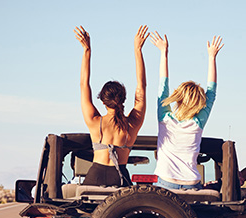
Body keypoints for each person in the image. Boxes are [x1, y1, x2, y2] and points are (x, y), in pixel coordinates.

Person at [74, 25, 149, 187]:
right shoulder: (132, 124)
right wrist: (138, 50)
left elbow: (83, 84)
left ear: (102, 101)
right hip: (120, 177)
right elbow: (141, 86)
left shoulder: (94, 121)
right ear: (123, 99)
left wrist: (87, 50)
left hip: (95, 177)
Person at [150, 31, 224, 190]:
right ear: (199, 102)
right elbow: (212, 91)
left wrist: (164, 53)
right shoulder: (198, 123)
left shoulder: (165, 118)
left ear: (178, 97)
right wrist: (212, 57)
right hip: (192, 184)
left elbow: (162, 86)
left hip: (165, 182)